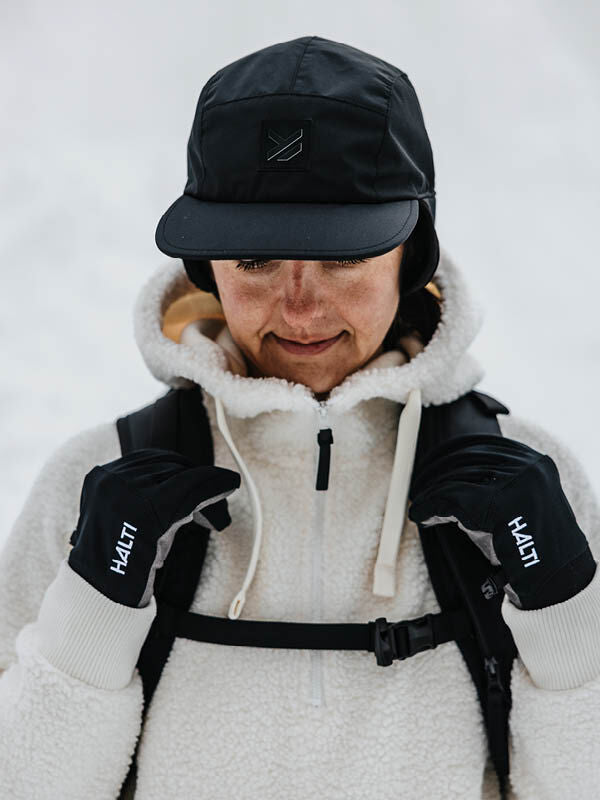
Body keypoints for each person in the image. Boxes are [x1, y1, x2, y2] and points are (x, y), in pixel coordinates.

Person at [1, 34, 600, 800]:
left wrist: (564, 605)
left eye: (343, 256)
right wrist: (94, 607)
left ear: (411, 254)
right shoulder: (90, 485)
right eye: (255, 260)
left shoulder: (537, 487)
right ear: (207, 269)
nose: (300, 307)